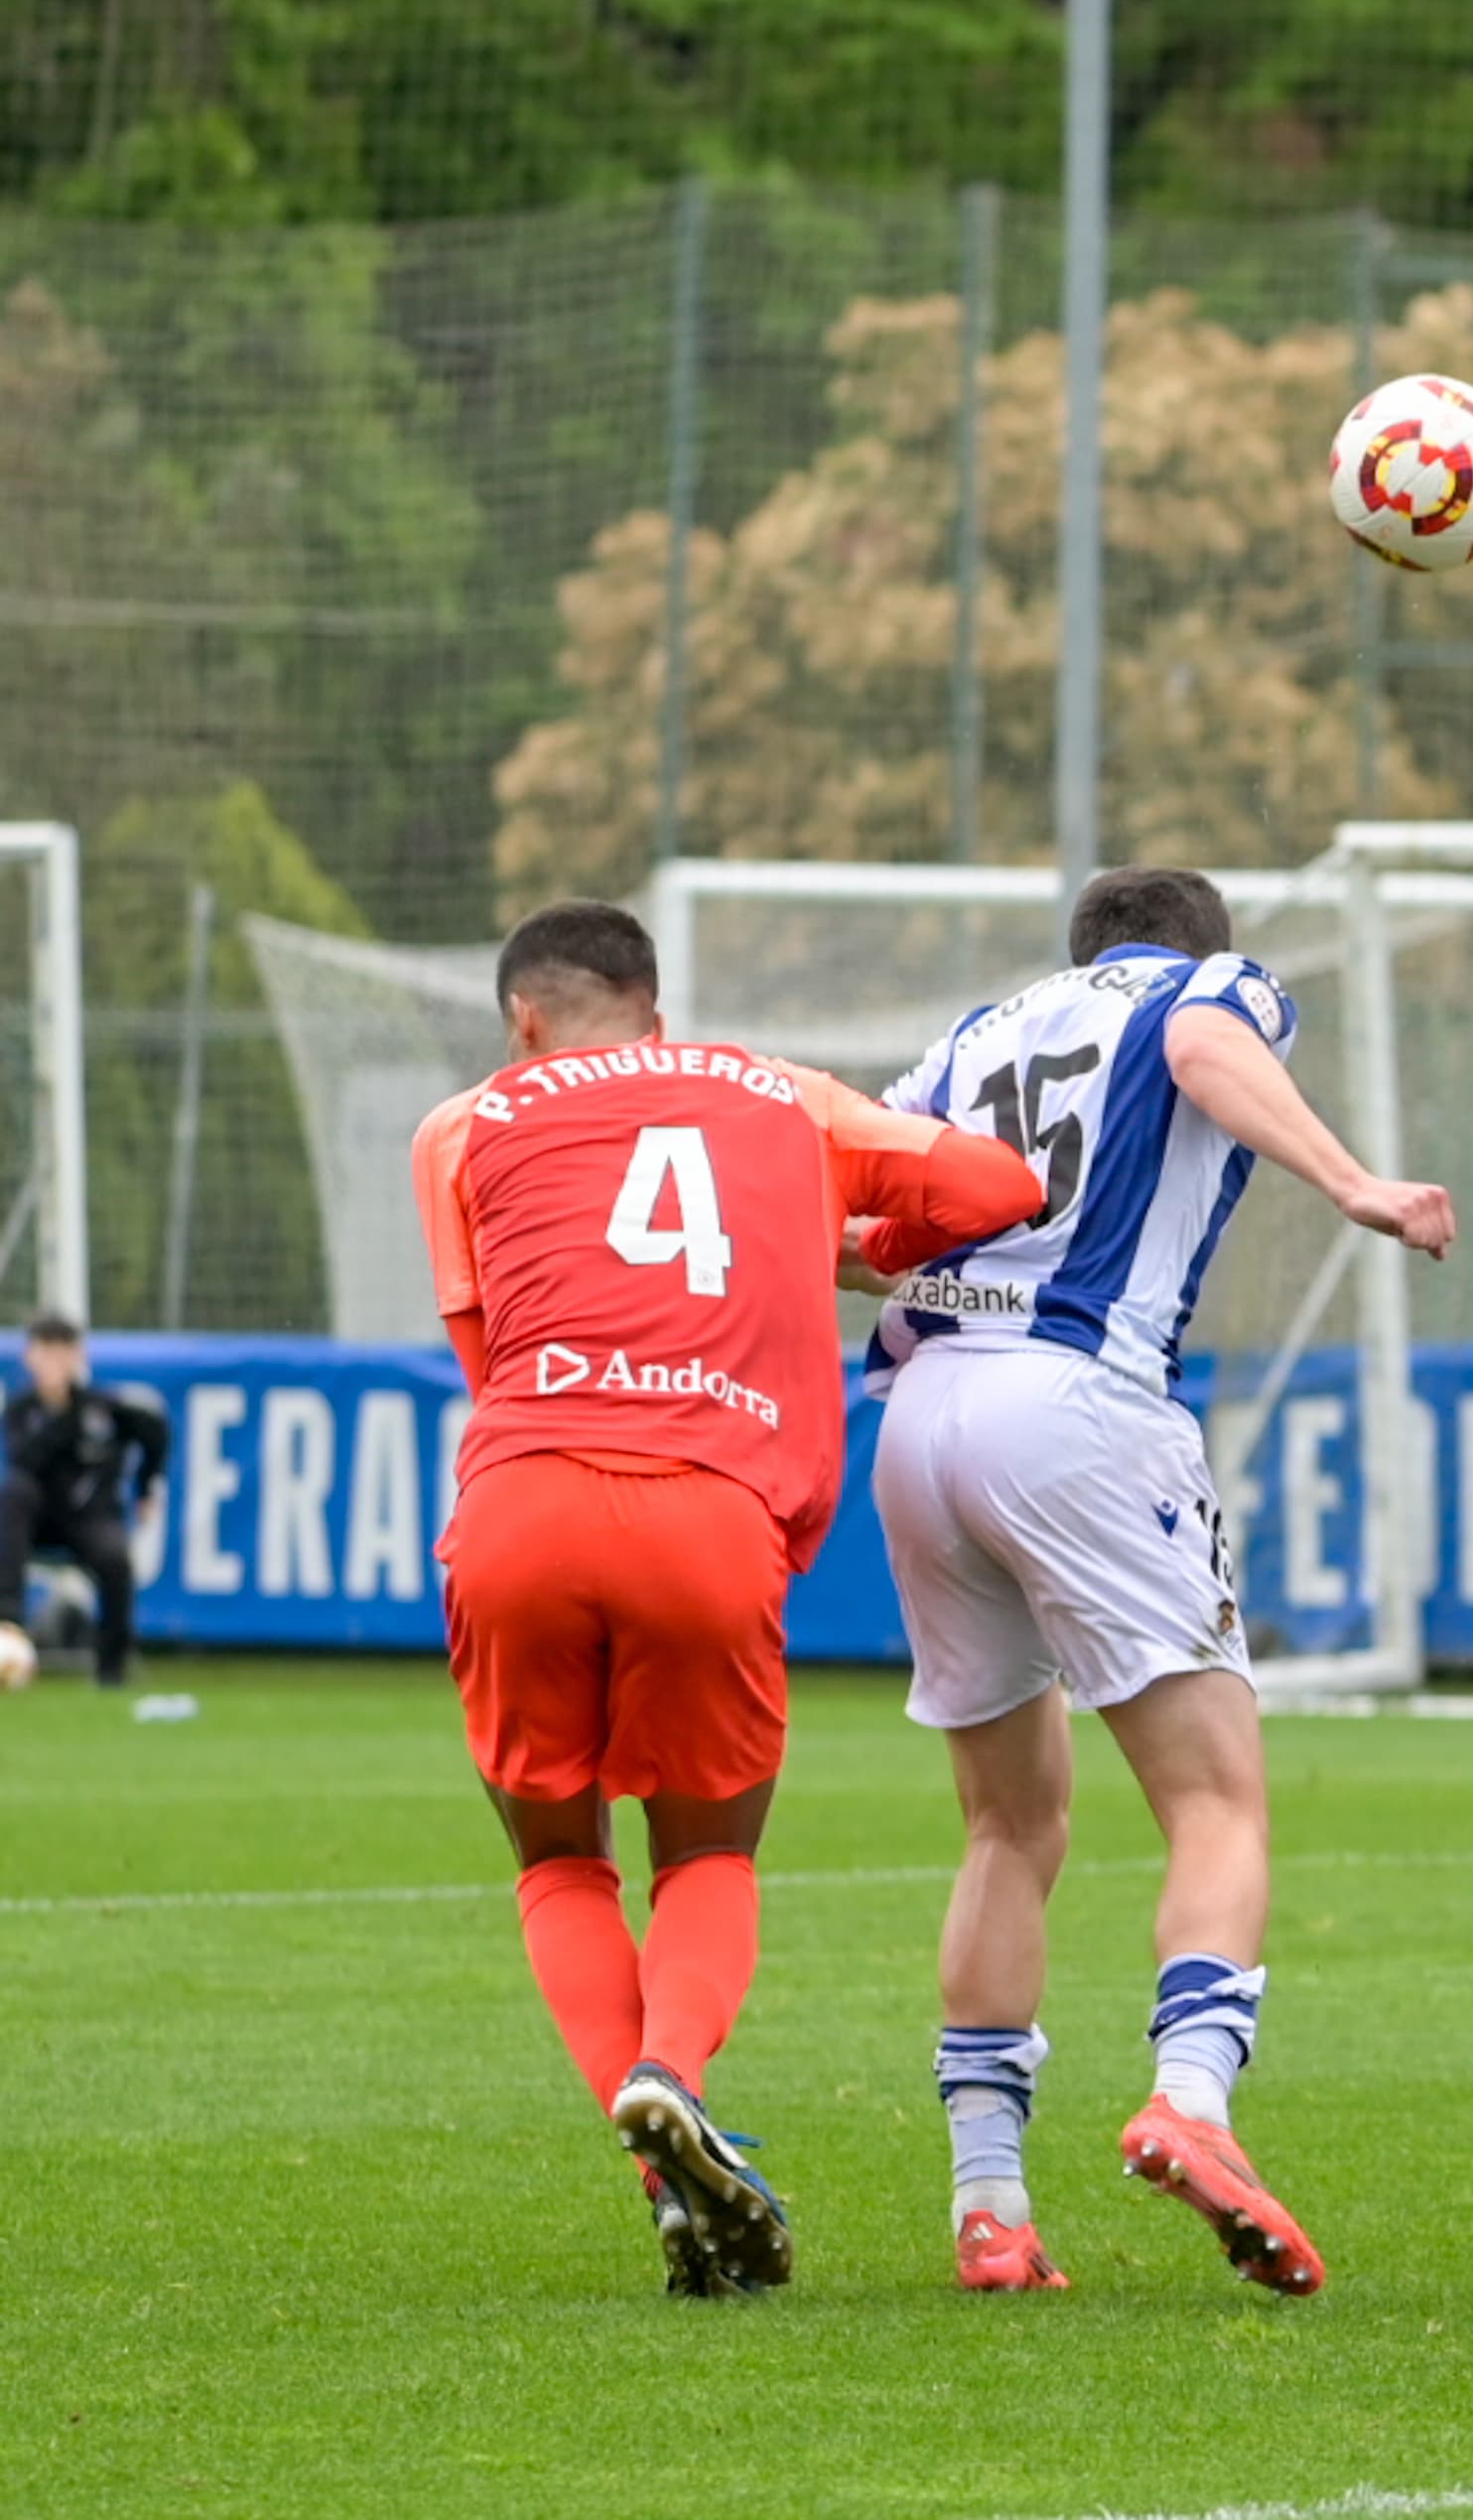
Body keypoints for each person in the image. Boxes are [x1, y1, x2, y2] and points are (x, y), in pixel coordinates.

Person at [411, 900, 1045, 2296]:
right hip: (708, 1510)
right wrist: (843, 1235)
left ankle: (661, 2157)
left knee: (559, 1859)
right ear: (657, 1004)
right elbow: (1000, 1189)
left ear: (525, 1016)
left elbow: (489, 1349)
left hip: (524, 1498)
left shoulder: (462, 1125)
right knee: (707, 1855)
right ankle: (670, 2071)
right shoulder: (782, 1094)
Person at [860, 864, 1454, 2298]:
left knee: (1009, 1823)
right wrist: (1356, 1182)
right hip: (1079, 1403)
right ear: (1199, 944)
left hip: (921, 1414)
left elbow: (857, 1215)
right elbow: (1199, 1044)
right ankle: (1193, 2099)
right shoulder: (1204, 988)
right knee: (1214, 1797)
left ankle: (989, 2207)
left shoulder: (964, 1040)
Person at [2, 1311, 167, 1687]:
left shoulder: (106, 1409)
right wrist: (67, 1412)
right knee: (14, 1493)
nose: (55, 1363)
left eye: (64, 1352)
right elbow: (26, 1459)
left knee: (114, 1556)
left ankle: (112, 1667)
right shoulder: (22, 1411)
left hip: (89, 1519)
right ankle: (8, 1621)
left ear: (78, 1356)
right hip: (37, 1520)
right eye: (47, 1352)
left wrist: (147, 1487)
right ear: (31, 1357)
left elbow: (155, 1430)